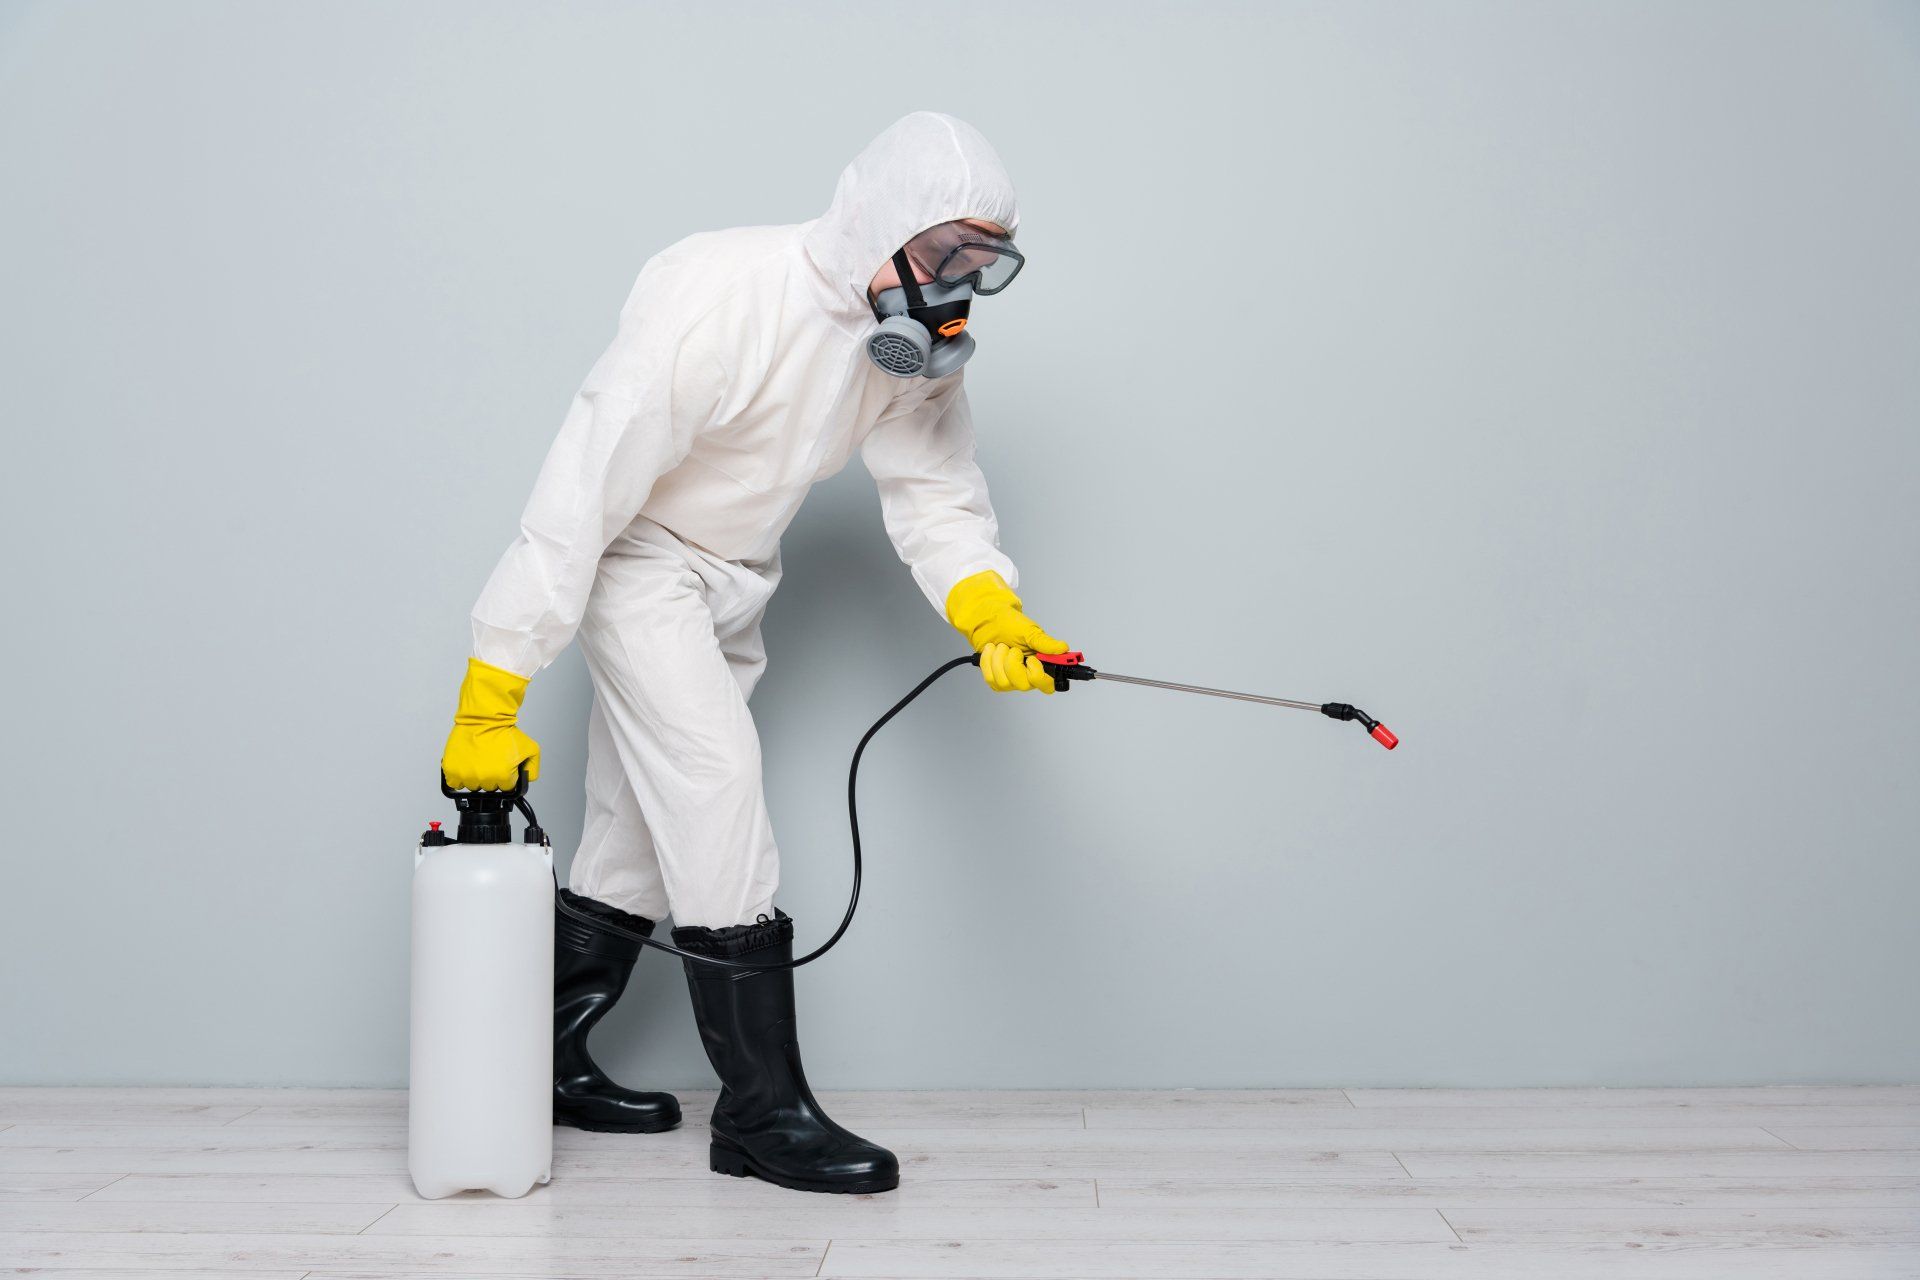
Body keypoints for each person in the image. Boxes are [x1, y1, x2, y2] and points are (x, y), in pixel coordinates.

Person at [439, 112, 1066, 1196]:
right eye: (941, 253)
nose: (954, 285)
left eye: (980, 262)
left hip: (736, 576)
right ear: (879, 221)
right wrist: (493, 686)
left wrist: (991, 614)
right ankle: (763, 1114)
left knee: (638, 828)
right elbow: (580, 490)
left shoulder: (908, 349)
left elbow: (935, 491)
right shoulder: (718, 298)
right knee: (718, 789)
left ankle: (537, 1054)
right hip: (640, 562)